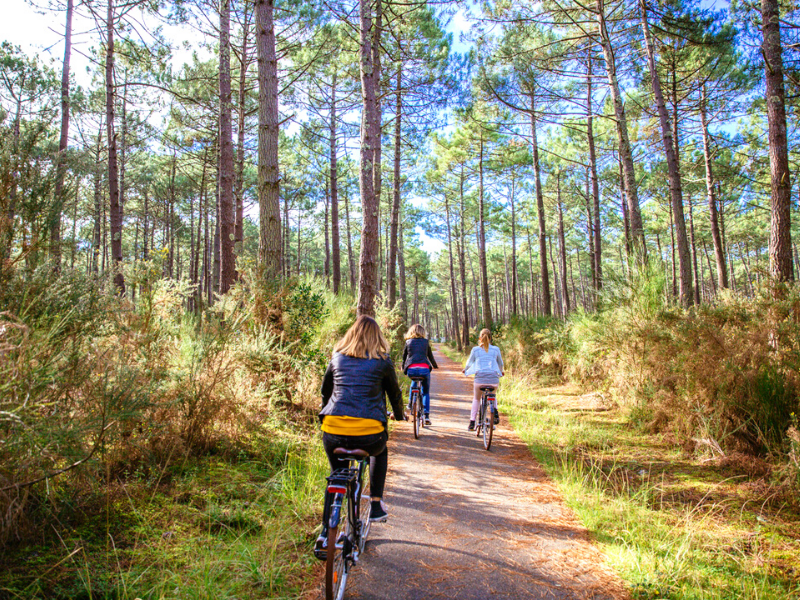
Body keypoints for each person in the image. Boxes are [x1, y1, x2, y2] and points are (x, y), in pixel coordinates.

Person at [316, 315, 405, 558]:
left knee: (336, 476)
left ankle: (325, 532)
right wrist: (399, 415)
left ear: (351, 334)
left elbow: (326, 392)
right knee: (381, 450)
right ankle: (375, 503)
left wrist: (325, 414)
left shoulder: (337, 358)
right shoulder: (382, 361)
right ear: (378, 338)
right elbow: (394, 394)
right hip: (369, 435)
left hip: (333, 430)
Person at [462, 328, 504, 430]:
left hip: (479, 379)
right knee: (493, 395)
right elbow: (501, 364)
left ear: (480, 338)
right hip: (493, 379)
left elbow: (469, 363)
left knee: (476, 399)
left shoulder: (475, 350)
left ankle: (472, 423)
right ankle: (495, 412)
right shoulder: (496, 349)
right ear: (490, 338)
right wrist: (501, 371)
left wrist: (465, 369)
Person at [401, 324, 438, 425]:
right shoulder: (426, 342)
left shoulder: (407, 342)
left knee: (414, 380)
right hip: (424, 370)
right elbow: (430, 356)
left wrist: (402, 366)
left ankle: (410, 403)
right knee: (425, 392)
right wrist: (435, 365)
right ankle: (426, 416)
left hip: (411, 370)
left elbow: (404, 357)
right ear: (423, 332)